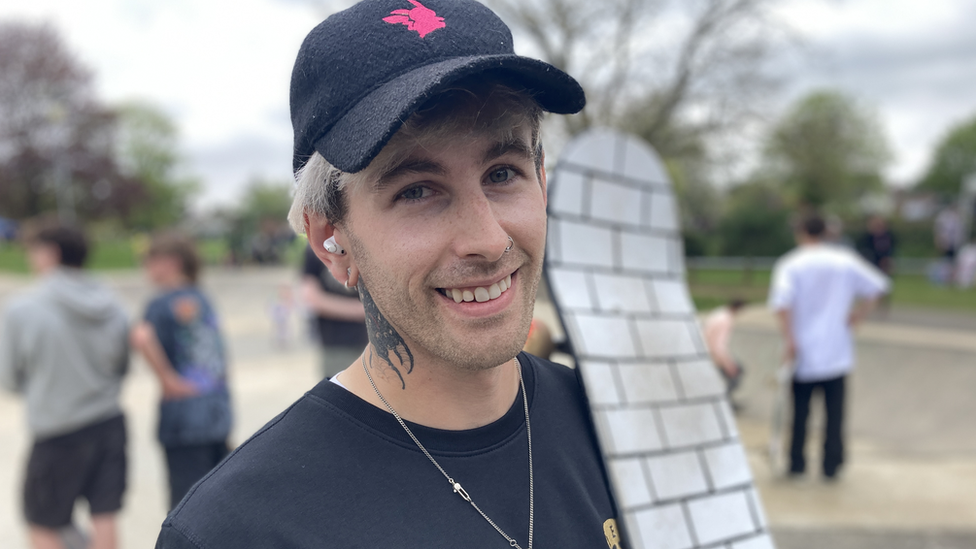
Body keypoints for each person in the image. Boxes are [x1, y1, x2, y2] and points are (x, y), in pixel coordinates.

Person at [155, 1, 618, 547]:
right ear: (332, 240)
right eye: (416, 190)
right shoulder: (237, 529)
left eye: (502, 173)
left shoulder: (619, 428)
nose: (490, 240)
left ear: (541, 182)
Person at [0, 222, 129, 549]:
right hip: (109, 421)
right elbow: (122, 367)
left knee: (42, 522)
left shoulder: (23, 308)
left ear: (50, 253)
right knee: (104, 516)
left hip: (57, 431)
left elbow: (8, 379)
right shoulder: (113, 304)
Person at [768, 214, 889, 480]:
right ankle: (831, 465)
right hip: (837, 350)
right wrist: (859, 314)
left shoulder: (791, 263)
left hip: (803, 352)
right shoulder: (844, 260)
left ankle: (796, 464)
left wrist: (789, 339)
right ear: (825, 233)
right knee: (834, 415)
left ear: (801, 232)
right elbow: (878, 286)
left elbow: (781, 303)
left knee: (800, 412)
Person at [131, 234, 233, 510]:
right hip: (216, 411)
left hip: (182, 417)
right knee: (217, 497)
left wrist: (168, 380)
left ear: (171, 263)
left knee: (185, 503)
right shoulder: (203, 298)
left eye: (150, 261)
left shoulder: (161, 303)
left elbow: (141, 337)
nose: (146, 269)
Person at [300, 243, 368, 377]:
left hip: (372, 342)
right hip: (335, 344)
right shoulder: (314, 249)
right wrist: (361, 310)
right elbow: (311, 298)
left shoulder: (366, 244)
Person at [703, 299, 746, 398]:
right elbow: (718, 346)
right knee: (737, 372)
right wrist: (728, 365)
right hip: (713, 356)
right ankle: (725, 400)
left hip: (706, 352)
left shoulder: (720, 313)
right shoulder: (726, 320)